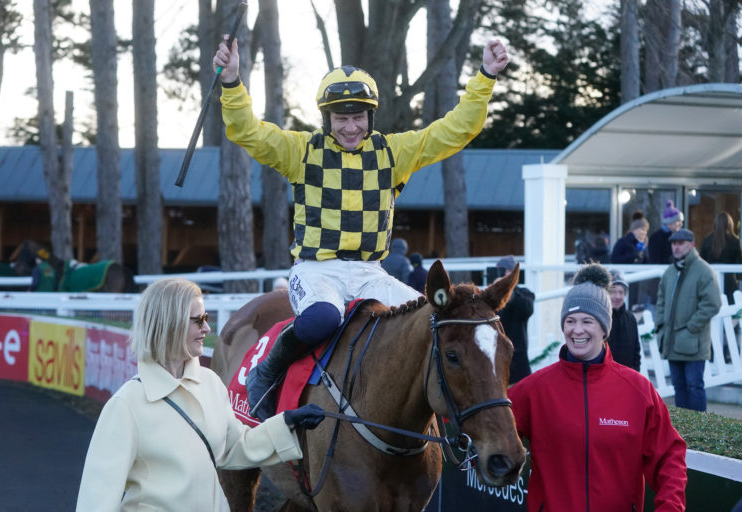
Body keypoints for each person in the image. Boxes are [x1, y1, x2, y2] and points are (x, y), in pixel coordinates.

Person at [214, 35, 510, 419]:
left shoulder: (393, 152)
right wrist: (233, 83)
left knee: (431, 321)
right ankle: (267, 371)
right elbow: (247, 131)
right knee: (324, 318)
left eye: (358, 117)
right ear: (327, 119)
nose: (351, 127)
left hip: (371, 273)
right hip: (317, 270)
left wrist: (485, 75)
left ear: (370, 116)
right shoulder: (300, 150)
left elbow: (455, 130)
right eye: (341, 118)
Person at [76, 278, 324, 511]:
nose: (207, 327)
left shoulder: (210, 383)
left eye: (205, 318)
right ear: (168, 324)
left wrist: (286, 424)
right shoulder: (125, 405)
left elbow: (234, 448)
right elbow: (97, 500)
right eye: (198, 320)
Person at [508, 264, 687, 511]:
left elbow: (669, 456)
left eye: (587, 321)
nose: (577, 330)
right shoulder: (534, 389)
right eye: (570, 321)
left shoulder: (638, 390)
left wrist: (670, 507)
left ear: (604, 328)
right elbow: (488, 427)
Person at [656, 229, 721, 412]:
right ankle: (682, 432)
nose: (676, 247)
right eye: (673, 243)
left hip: (694, 343)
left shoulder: (704, 271)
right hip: (672, 341)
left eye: (680, 243)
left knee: (694, 386)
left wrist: (691, 328)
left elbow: (712, 304)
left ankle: (699, 433)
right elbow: (660, 300)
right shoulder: (670, 272)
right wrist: (660, 326)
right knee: (679, 388)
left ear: (691, 244)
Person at [493, 255, 534, 383]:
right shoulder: (489, 296)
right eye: (500, 271)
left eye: (506, 270)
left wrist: (508, 290)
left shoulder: (524, 293)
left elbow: (527, 309)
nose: (503, 274)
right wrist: (494, 292)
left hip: (517, 362)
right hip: (494, 361)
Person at [699, 211, 742, 304]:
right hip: (729, 282)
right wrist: (738, 278)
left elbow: (701, 261)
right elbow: (739, 263)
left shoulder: (707, 240)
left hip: (710, 280)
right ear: (730, 224)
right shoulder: (735, 241)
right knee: (730, 311)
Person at [608, 270, 641, 371]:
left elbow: (636, 349)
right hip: (605, 375)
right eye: (613, 292)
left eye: (621, 292)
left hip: (627, 374)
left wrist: (635, 372)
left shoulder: (630, 318)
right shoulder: (600, 318)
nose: (617, 296)